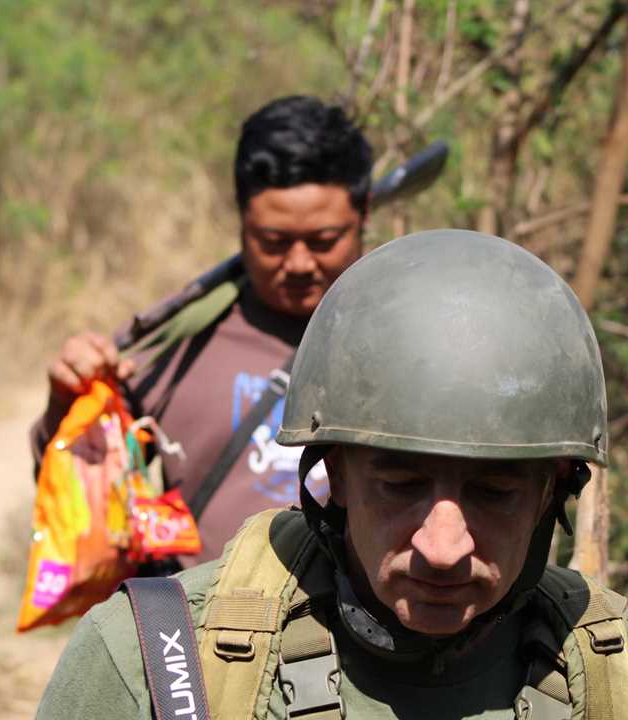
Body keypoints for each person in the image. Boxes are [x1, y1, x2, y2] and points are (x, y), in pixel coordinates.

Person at [0, 230, 628, 720]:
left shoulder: (611, 700)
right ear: (330, 473)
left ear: (554, 494)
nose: (444, 546)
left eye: (496, 494)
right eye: (400, 485)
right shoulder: (159, 657)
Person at [30, 95, 372, 566]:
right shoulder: (180, 346)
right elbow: (72, 485)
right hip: (197, 632)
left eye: (323, 241)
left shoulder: (400, 339)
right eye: (272, 242)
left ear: (364, 216)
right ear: (240, 223)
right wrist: (66, 400)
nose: (298, 264)